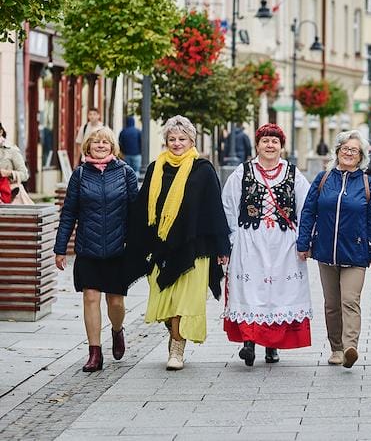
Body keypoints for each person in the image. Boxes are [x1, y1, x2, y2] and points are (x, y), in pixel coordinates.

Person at [125, 115, 231, 371]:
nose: (176, 143)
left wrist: (222, 248)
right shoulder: (155, 168)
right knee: (168, 299)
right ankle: (174, 331)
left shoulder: (203, 170)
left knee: (184, 302)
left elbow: (215, 210)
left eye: (182, 139)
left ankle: (177, 348)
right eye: (172, 139)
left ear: (191, 140)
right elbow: (142, 209)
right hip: (162, 246)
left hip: (195, 246)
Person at [221, 123, 313, 366]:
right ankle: (249, 342)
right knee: (251, 291)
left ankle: (272, 345)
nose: (270, 145)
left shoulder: (293, 174)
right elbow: (229, 206)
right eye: (265, 141)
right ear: (258, 145)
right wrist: (231, 240)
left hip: (283, 243)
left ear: (281, 146)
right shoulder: (242, 173)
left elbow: (306, 207)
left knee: (278, 293)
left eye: (274, 141)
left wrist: (304, 240)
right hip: (250, 239)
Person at [54, 127, 138, 371]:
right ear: (87, 146)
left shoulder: (125, 173)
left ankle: (117, 329)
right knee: (91, 297)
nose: (100, 145)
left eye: (105, 142)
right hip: (88, 248)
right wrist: (60, 249)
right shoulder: (79, 175)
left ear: (113, 147)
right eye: (95, 142)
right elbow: (69, 212)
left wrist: (136, 247)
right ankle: (94, 352)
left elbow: (135, 213)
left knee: (116, 303)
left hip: (117, 248)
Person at [297, 130, 371, 369]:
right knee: (332, 304)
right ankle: (336, 348)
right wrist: (304, 243)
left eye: (354, 150)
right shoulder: (323, 179)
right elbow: (308, 211)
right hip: (326, 251)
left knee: (350, 300)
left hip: (355, 253)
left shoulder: (368, 183)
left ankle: (350, 346)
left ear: (361, 156)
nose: (348, 153)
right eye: (345, 148)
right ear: (337, 152)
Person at [0, 122, 28, 204]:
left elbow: (25, 175)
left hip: (10, 196)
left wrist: (9, 173)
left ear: (1, 131)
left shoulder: (11, 150)